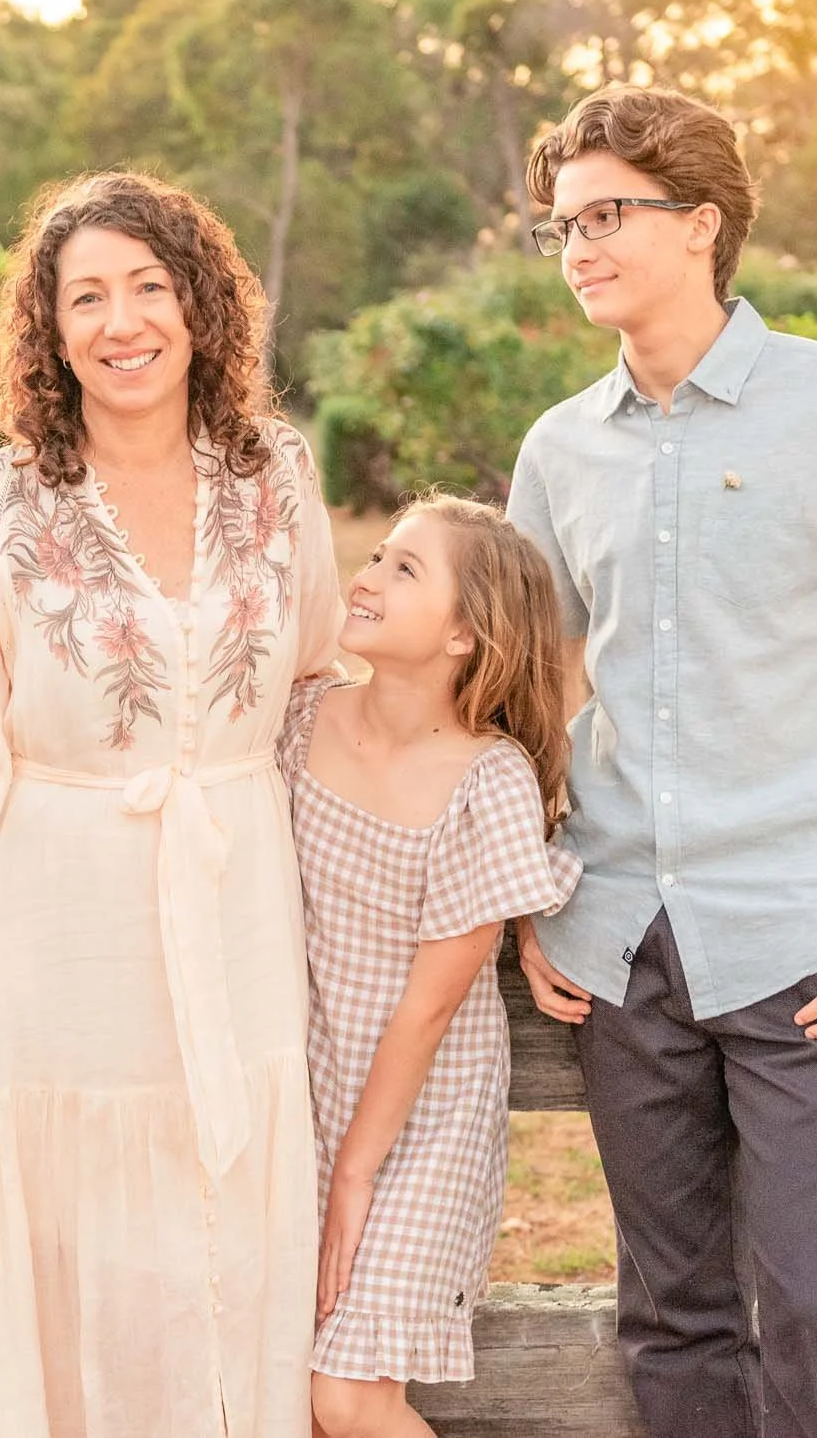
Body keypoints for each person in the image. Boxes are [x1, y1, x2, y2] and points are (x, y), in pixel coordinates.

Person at [505, 84, 817, 1438]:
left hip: (807, 940)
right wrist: (534, 884)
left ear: (703, 221)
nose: (581, 243)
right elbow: (539, 689)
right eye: (563, 225)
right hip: (619, 944)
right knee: (669, 1313)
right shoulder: (558, 450)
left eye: (609, 213)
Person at [0, 171, 344, 1437]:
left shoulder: (275, 477)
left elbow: (322, 691)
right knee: (60, 1247)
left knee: (225, 1240)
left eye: (148, 288)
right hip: (41, 939)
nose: (122, 323)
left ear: (199, 306)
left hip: (237, 918)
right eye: (87, 298)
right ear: (50, 332)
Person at [280, 495, 582, 1438]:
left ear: (464, 632)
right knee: (289, 1385)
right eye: (376, 556)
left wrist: (356, 1175)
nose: (364, 575)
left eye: (404, 568)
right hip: (304, 1100)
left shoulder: (485, 784)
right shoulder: (300, 720)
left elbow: (429, 1007)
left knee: (350, 1395)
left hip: (421, 1127)